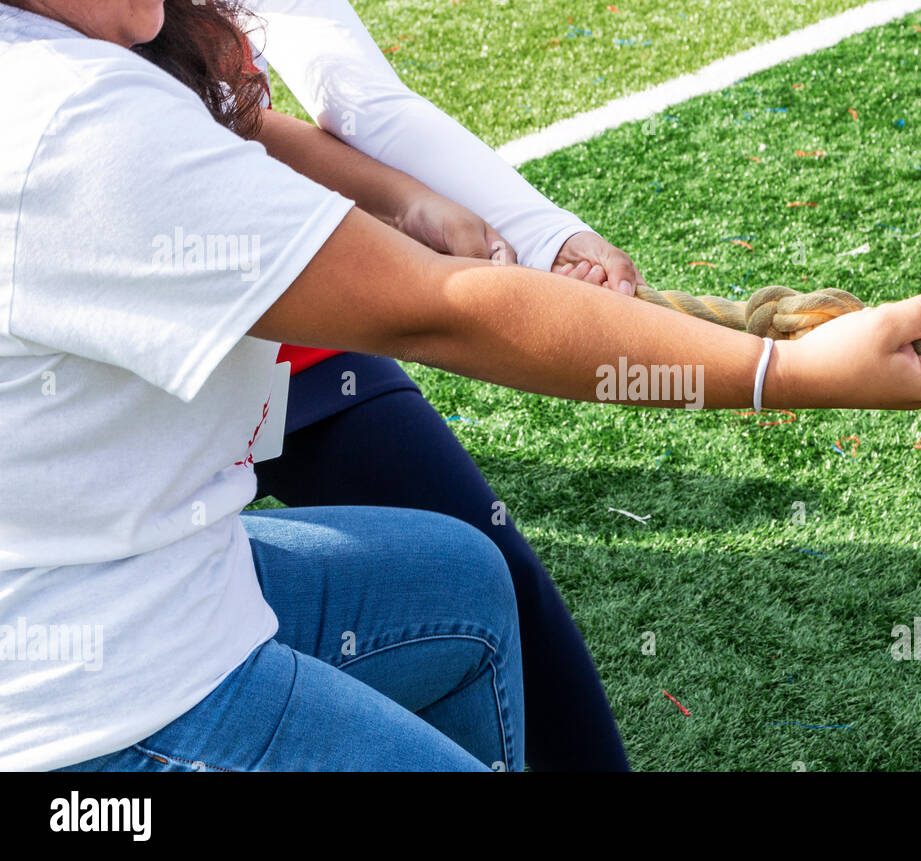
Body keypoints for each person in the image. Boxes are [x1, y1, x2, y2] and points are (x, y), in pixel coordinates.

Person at [0, 0, 921, 772]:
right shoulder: (69, 116)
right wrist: (787, 374)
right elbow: (449, 310)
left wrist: (437, 208)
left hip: (150, 565)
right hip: (98, 703)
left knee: (461, 577)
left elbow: (243, 132)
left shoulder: (81, 64)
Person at [243, 0, 649, 771]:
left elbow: (289, 106)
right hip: (117, 380)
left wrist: (543, 235)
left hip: (279, 320)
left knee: (490, 580)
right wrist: (787, 376)